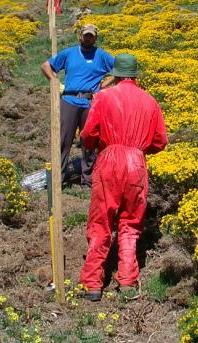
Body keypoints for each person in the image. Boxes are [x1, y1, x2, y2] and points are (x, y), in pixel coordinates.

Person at [78, 53, 168, 301]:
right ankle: (127, 281)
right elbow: (160, 141)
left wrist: (95, 145)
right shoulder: (150, 101)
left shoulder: (104, 96)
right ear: (135, 75)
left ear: (116, 74)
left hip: (109, 159)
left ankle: (92, 284)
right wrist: (138, 149)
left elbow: (88, 134)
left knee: (101, 222)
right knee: (130, 223)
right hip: (136, 163)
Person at [41, 24, 115, 187]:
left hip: (90, 103)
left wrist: (104, 85)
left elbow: (118, 69)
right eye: (85, 35)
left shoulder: (102, 55)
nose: (88, 38)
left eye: (91, 36)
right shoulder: (69, 53)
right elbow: (46, 66)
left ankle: (88, 178)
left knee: (90, 140)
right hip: (69, 100)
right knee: (62, 139)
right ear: (80, 36)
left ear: (95, 38)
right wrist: (54, 81)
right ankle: (58, 177)